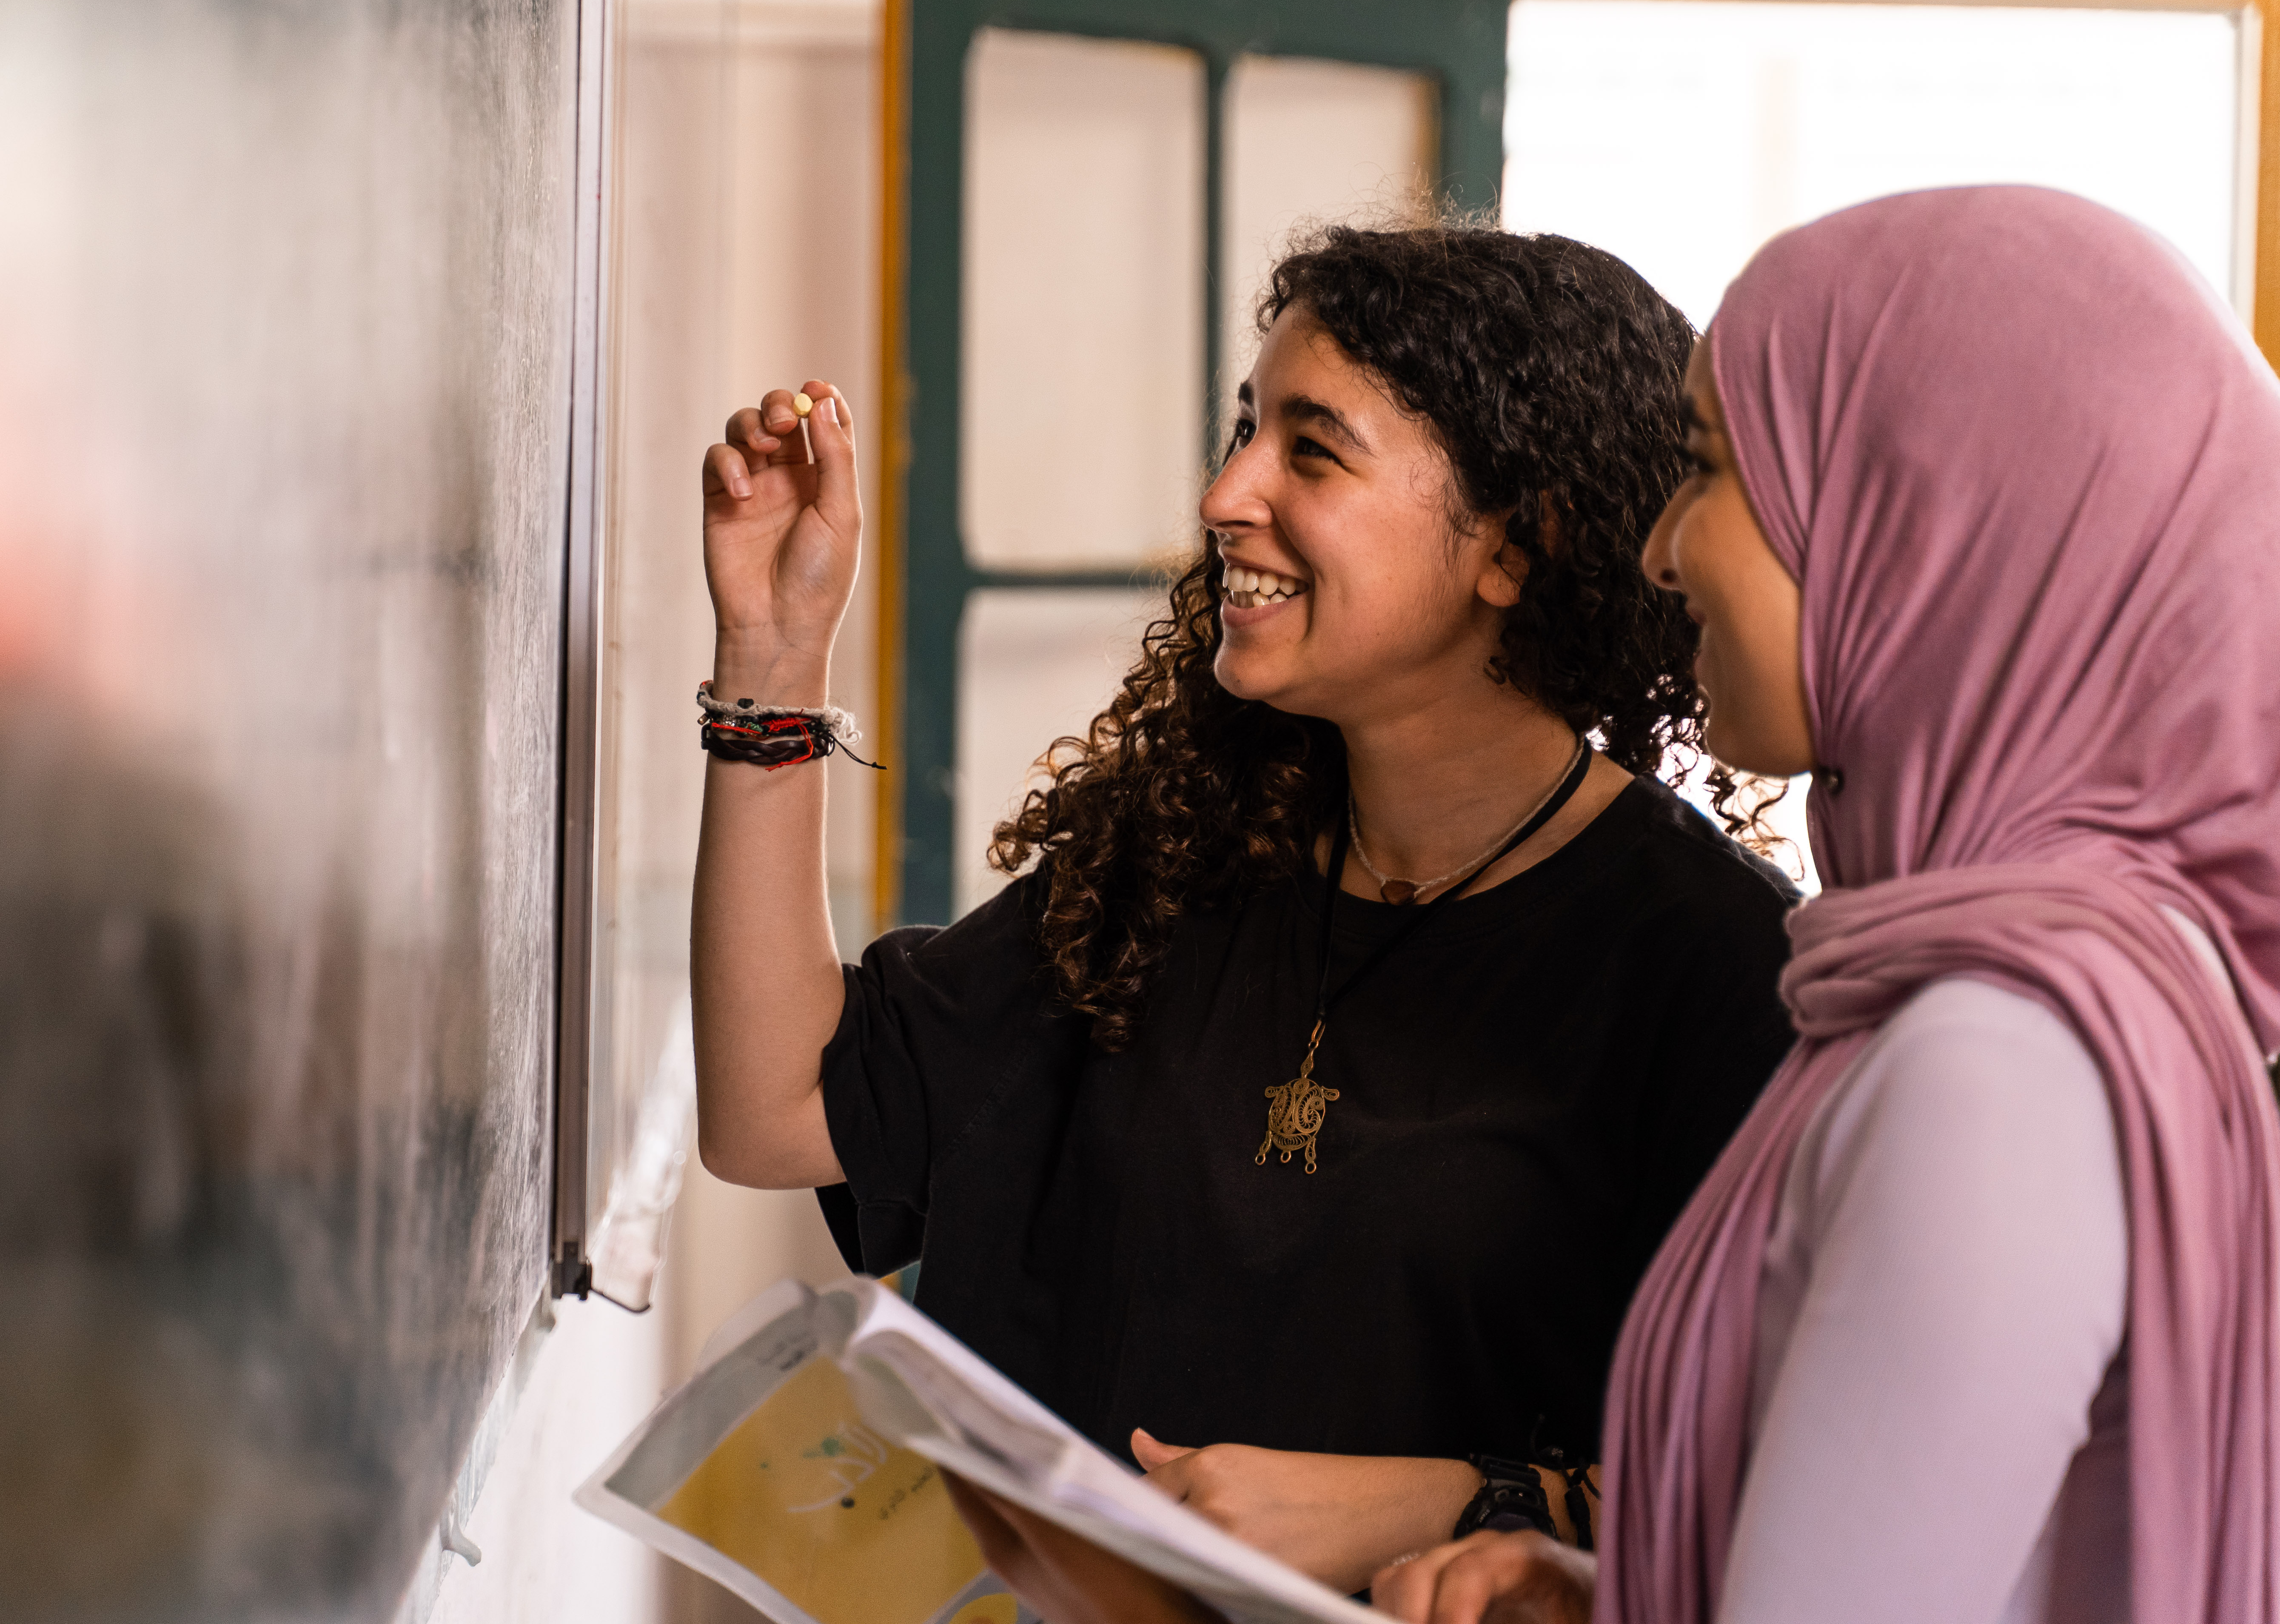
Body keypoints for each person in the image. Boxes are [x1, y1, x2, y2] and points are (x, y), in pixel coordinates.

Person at [962, 185, 2280, 1623]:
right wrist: (1594, 1592)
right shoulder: (2044, 999)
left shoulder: (1992, 1064)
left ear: (1922, 529)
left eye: (1716, 471)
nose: (1662, 551)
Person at [693, 222, 1800, 1591]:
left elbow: (1779, 1486)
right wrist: (773, 656)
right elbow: (777, 1111)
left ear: (1517, 546)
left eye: (1311, 450)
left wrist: (1454, 1506)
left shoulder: (1723, 969)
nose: (1227, 493)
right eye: (1243, 430)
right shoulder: (1184, 850)